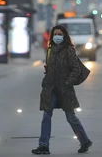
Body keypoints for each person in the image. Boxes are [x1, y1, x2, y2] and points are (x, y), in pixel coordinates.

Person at [32, 25, 92, 155]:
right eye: (55, 34)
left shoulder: (68, 50)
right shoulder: (50, 49)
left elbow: (75, 69)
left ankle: (85, 141)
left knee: (71, 117)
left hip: (65, 89)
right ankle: (43, 145)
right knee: (46, 116)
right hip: (51, 88)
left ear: (64, 36)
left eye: (59, 34)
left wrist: (68, 83)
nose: (57, 36)